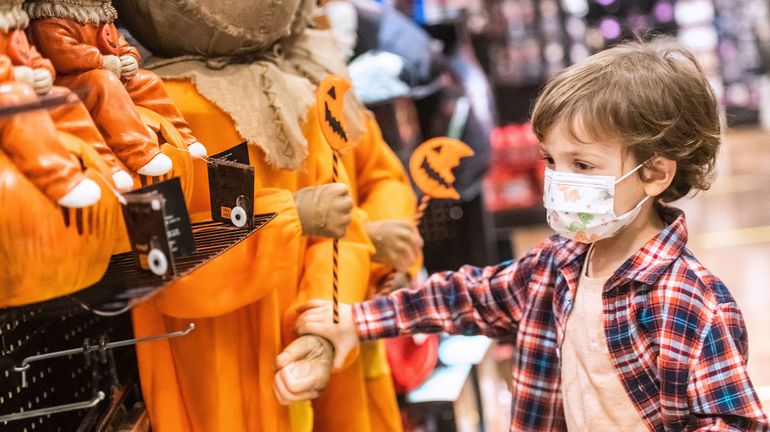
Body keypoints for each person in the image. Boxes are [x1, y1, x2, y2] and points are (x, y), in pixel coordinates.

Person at [278, 39, 770, 431]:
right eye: (552, 161)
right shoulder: (558, 265)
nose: (558, 180)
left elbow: (731, 420)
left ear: (656, 173)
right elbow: (468, 297)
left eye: (583, 165)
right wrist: (358, 319)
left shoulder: (687, 300)